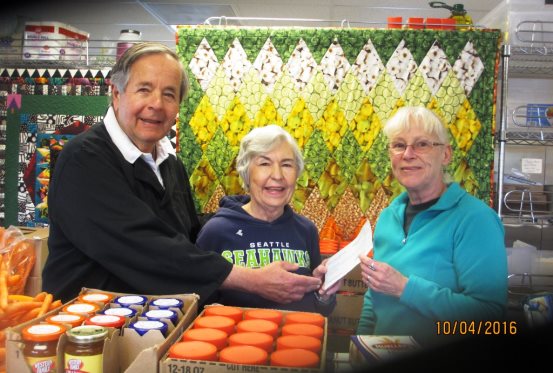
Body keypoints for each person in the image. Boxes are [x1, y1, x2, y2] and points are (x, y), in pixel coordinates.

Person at [42, 42, 323, 305]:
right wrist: (250, 279)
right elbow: (144, 246)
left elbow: (185, 232)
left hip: (152, 326)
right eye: (144, 90)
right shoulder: (85, 159)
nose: (157, 104)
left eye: (169, 94)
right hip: (88, 330)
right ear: (117, 94)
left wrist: (251, 213)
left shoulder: (168, 163)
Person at [356, 106, 508, 347]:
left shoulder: (476, 220)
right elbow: (374, 297)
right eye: (398, 145)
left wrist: (405, 288)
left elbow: (489, 318)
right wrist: (361, 346)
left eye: (422, 144)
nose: (408, 154)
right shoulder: (387, 217)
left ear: (445, 155)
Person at [196, 125, 340, 314]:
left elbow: (319, 311)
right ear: (247, 173)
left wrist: (323, 293)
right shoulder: (216, 231)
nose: (278, 175)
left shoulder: (306, 230)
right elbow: (196, 302)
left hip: (296, 341)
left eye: (287, 165)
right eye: (264, 164)